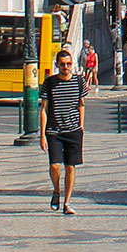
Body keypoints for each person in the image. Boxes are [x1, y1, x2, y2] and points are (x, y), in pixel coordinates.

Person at [40, 49, 87, 214]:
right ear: (57, 65)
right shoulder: (50, 82)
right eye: (62, 64)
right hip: (54, 130)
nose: (65, 67)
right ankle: (56, 191)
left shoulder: (79, 82)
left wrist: (81, 126)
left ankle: (67, 203)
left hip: (73, 131)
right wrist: (42, 135)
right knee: (54, 166)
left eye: (68, 64)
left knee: (70, 167)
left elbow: (81, 104)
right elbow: (44, 109)